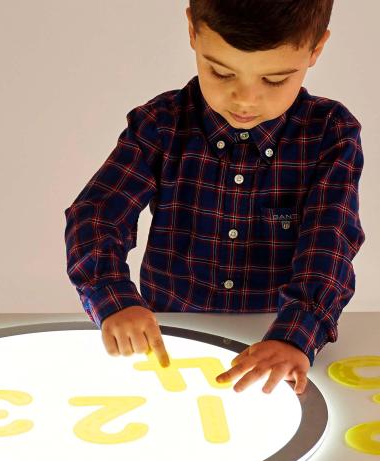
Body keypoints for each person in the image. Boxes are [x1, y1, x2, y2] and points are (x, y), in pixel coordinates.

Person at [64, 0, 365, 396]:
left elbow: (330, 242)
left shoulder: (330, 134)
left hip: (275, 342)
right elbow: (97, 214)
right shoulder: (160, 125)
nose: (245, 100)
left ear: (316, 49)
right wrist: (114, 298)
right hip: (171, 342)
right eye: (221, 72)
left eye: (275, 80)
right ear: (193, 31)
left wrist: (296, 335)